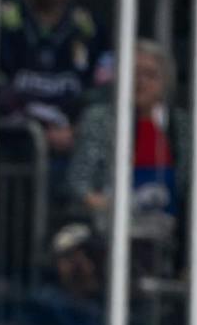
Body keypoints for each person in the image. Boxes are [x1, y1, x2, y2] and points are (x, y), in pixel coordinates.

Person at [0, 0, 106, 166]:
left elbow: (103, 93)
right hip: (11, 153)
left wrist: (78, 129)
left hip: (75, 154)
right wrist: (36, 129)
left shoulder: (92, 30)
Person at [70, 39, 190, 244]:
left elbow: (188, 186)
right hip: (108, 228)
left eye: (150, 75)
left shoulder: (182, 125)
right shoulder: (98, 118)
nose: (140, 82)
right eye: (133, 73)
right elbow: (78, 183)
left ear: (165, 83)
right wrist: (110, 207)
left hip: (168, 232)